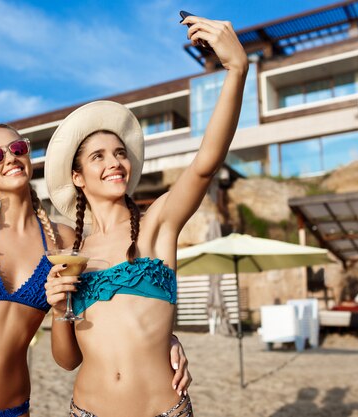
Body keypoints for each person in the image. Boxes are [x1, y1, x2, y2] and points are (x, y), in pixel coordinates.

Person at [0, 123, 191, 417]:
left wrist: (165, 338)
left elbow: (108, 306)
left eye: (17, 147)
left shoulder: (66, 240)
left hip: (10, 407)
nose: (10, 158)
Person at [43, 14, 248, 417]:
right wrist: (58, 310)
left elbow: (205, 164)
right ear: (77, 176)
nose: (115, 162)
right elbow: (67, 361)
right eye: (98, 157)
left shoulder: (157, 224)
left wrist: (236, 69)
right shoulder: (71, 248)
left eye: (120, 153)